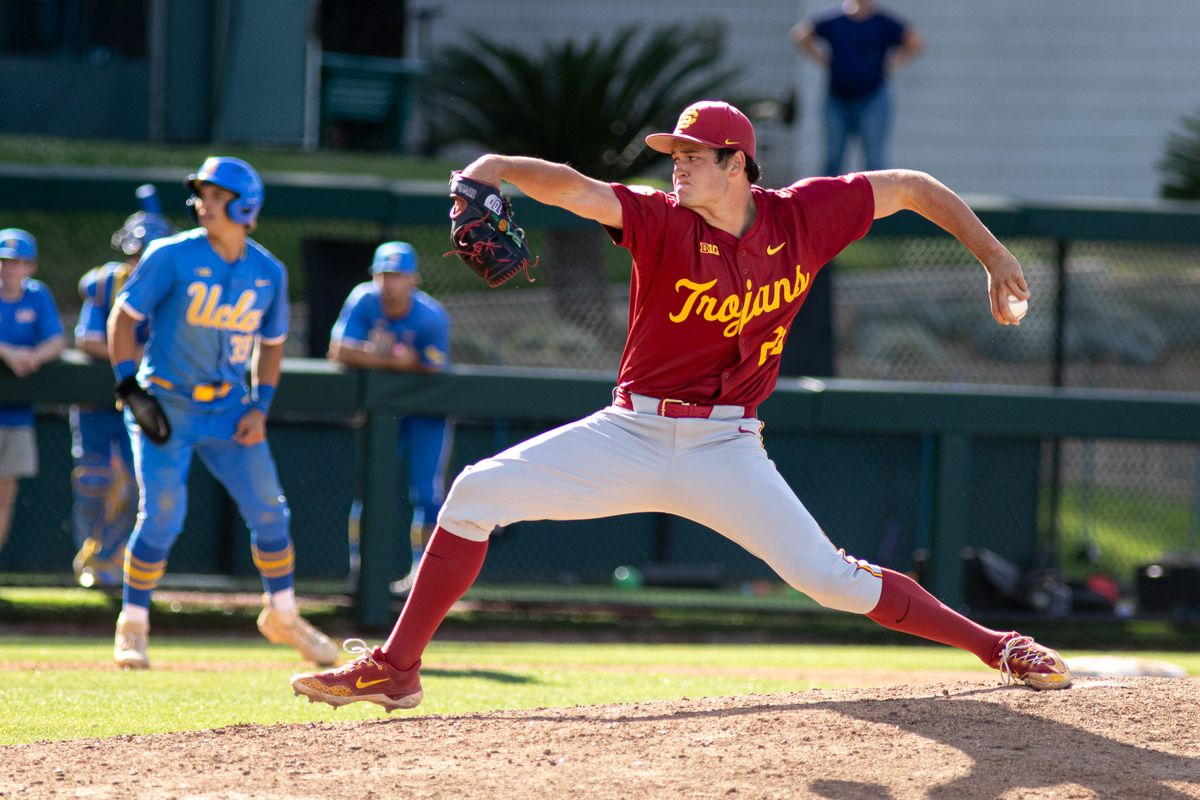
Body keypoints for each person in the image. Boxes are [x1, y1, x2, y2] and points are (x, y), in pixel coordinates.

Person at [290, 99, 1067, 712]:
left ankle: (997, 644)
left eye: (694, 157)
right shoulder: (660, 221)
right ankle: (397, 668)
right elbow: (577, 187)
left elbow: (911, 188)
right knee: (475, 494)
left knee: (833, 581)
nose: (678, 167)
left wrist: (995, 257)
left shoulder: (803, 215)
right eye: (675, 155)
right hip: (631, 431)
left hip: (727, 450)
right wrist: (494, 167)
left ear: (737, 164)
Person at [107, 157, 337, 669]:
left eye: (215, 194)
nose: (202, 203)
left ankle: (283, 614)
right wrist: (128, 387)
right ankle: (134, 622)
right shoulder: (170, 255)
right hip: (166, 403)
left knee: (271, 512)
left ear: (245, 204)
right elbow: (123, 317)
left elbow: (272, 345)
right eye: (202, 194)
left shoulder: (268, 271)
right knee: (163, 514)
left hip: (231, 410)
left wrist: (261, 406)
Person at [327, 242, 452, 595]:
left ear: (413, 278)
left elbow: (430, 365)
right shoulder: (364, 299)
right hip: (385, 413)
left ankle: (422, 579)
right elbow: (338, 351)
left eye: (397, 275)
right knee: (368, 491)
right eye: (383, 274)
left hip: (427, 412)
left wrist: (371, 356)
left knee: (426, 493)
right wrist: (393, 359)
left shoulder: (431, 315)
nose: (389, 283)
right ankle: (360, 573)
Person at [70, 190, 176, 588]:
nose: (139, 262)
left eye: (146, 254)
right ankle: (90, 558)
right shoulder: (104, 284)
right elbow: (89, 341)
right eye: (134, 253)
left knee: (140, 486)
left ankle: (119, 565)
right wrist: (142, 350)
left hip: (148, 403)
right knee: (93, 479)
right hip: (100, 399)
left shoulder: (174, 288)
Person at [792, 0, 924, 176]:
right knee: (833, 158)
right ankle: (827, 202)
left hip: (873, 98)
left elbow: (915, 41)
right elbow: (801, 34)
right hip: (837, 99)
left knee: (875, 160)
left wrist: (894, 63)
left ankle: (878, 203)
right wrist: (822, 59)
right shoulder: (835, 19)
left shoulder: (883, 22)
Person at [0, 228, 65, 557]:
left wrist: (34, 357)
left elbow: (56, 341)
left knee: (5, 492)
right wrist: (7, 352)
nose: (9, 269)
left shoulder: (38, 295)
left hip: (17, 414)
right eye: (4, 261)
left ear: (31, 266)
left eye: (17, 262)